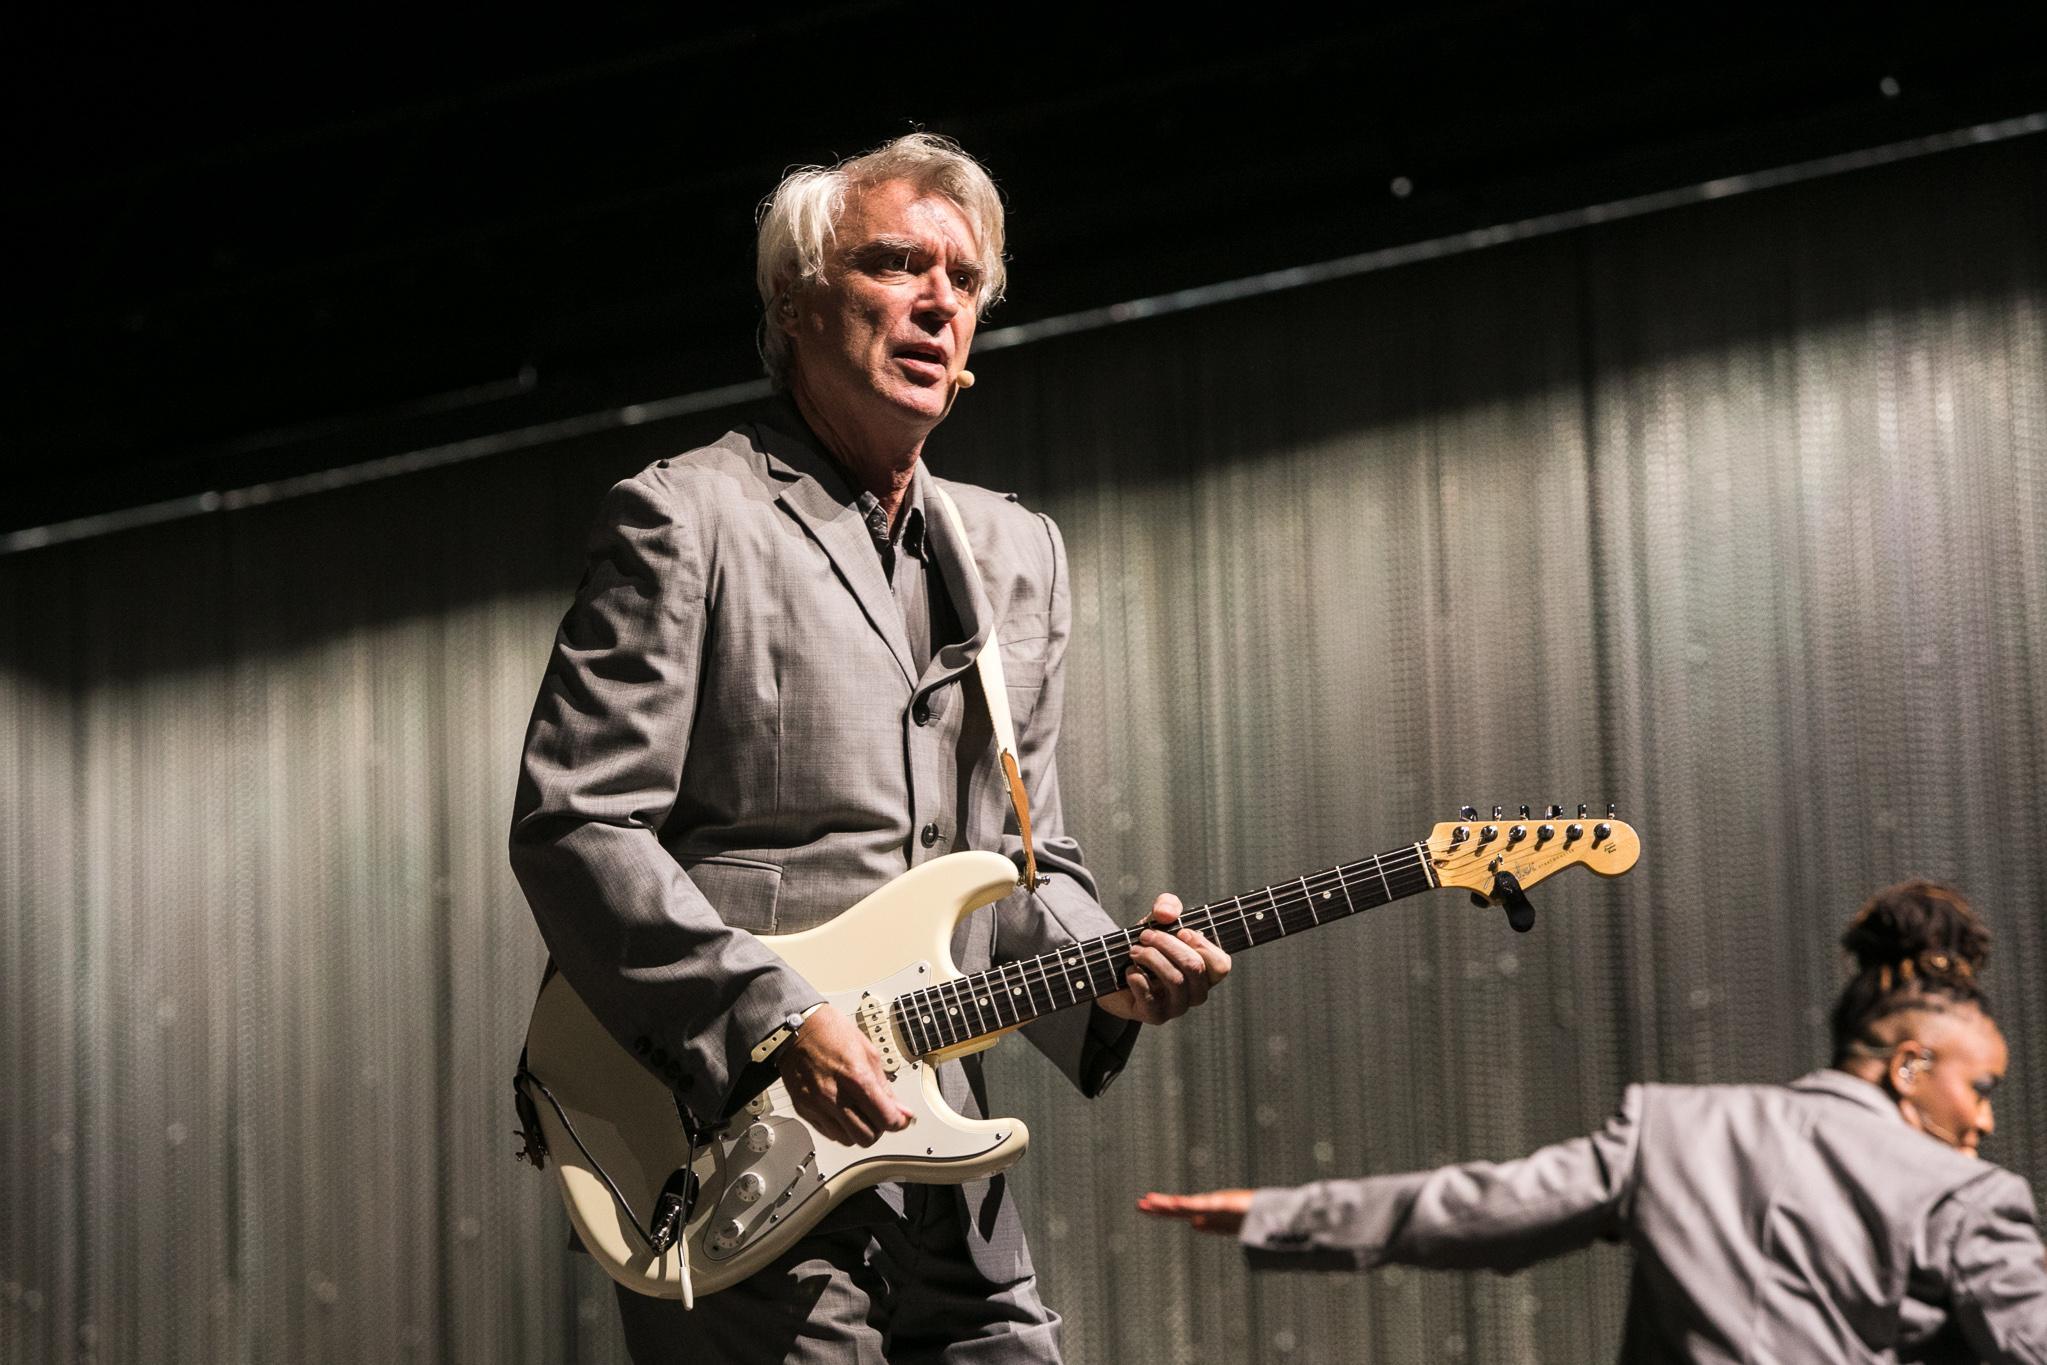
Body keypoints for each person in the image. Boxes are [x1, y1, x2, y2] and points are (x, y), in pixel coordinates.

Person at [511, 132, 1231, 1364]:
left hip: (947, 1162)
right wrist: (773, 1019)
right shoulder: (687, 516)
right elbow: (576, 825)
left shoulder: (1014, 555)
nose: (939, 300)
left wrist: (1107, 969)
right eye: (897, 264)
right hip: (737, 1149)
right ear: (795, 302)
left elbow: (1021, 864)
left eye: (965, 279)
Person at [1141, 881, 2047, 1362]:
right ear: (1908, 1065)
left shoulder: (1676, 1131)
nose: (1983, 1119)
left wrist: (1279, 1212)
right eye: (1982, 1087)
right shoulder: (1971, 1197)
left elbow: (1477, 1207)